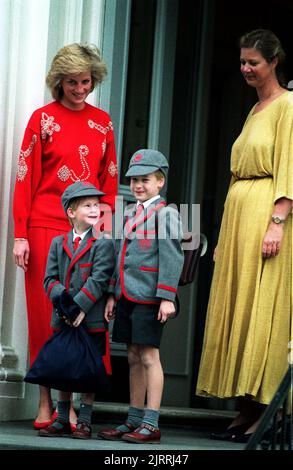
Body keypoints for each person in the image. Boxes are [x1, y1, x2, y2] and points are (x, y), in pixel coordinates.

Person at [12, 43, 118, 429]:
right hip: (44, 225)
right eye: (71, 82)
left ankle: (74, 405)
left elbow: (109, 181)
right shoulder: (42, 120)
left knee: (84, 315)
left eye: (85, 82)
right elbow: (25, 180)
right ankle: (49, 406)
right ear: (59, 81)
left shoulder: (103, 122)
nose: (79, 89)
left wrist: (104, 230)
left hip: (89, 231)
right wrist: (19, 234)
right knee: (47, 316)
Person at [196, 29, 293, 443]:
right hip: (240, 216)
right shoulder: (255, 109)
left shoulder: (288, 105)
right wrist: (222, 236)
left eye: (253, 62)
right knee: (238, 307)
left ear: (273, 62)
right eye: (242, 62)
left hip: (267, 214)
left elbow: (289, 163)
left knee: (262, 308)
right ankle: (243, 408)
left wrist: (278, 220)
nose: (246, 69)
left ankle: (265, 411)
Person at [97, 149, 184, 444]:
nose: (138, 186)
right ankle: (133, 419)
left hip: (150, 297)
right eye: (134, 180)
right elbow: (117, 255)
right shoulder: (128, 213)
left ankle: (151, 422)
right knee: (132, 356)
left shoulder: (167, 214)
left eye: (145, 180)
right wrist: (111, 293)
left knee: (149, 356)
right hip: (126, 296)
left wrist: (167, 296)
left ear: (160, 182)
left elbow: (172, 257)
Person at [38, 181, 115, 439]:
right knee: (64, 367)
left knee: (88, 370)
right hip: (63, 317)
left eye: (97, 205)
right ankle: (61, 418)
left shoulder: (102, 244)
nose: (95, 209)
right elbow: (50, 279)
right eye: (87, 205)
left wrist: (79, 307)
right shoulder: (58, 244)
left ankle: (84, 420)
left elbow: (100, 278)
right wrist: (66, 307)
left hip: (90, 318)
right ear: (71, 212)